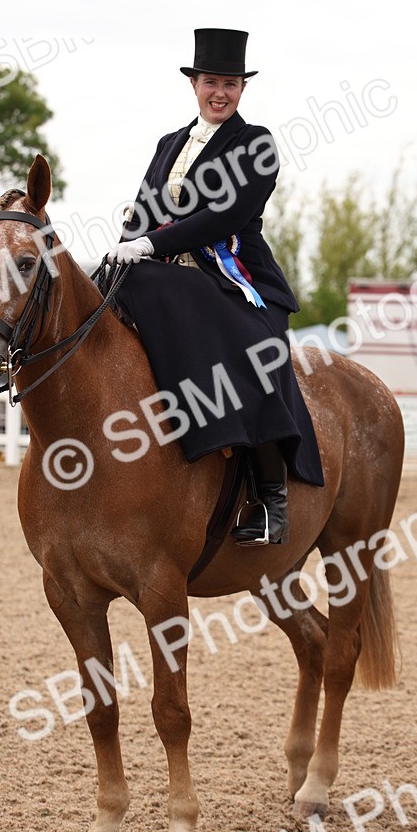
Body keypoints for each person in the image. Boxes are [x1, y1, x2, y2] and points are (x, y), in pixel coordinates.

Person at [106, 28, 323, 544]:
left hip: (235, 280)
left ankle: (271, 499)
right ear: (195, 85)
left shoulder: (256, 145)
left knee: (254, 362)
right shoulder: (168, 144)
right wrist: (124, 248)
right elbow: (143, 209)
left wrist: (150, 247)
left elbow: (225, 215)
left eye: (229, 83)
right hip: (162, 278)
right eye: (211, 82)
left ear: (242, 89)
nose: (219, 92)